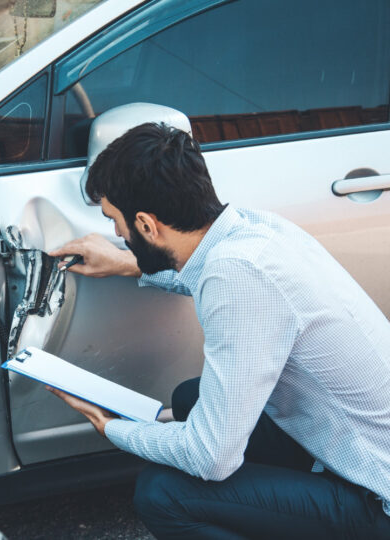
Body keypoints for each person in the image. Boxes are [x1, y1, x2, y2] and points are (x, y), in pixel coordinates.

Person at [47, 122, 390, 539]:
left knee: (162, 493)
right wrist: (125, 262)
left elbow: (212, 458)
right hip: (347, 443)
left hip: (376, 494)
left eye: (116, 222)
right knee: (191, 399)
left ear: (146, 224)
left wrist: (114, 428)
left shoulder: (237, 278)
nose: (117, 234)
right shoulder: (253, 230)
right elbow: (204, 272)